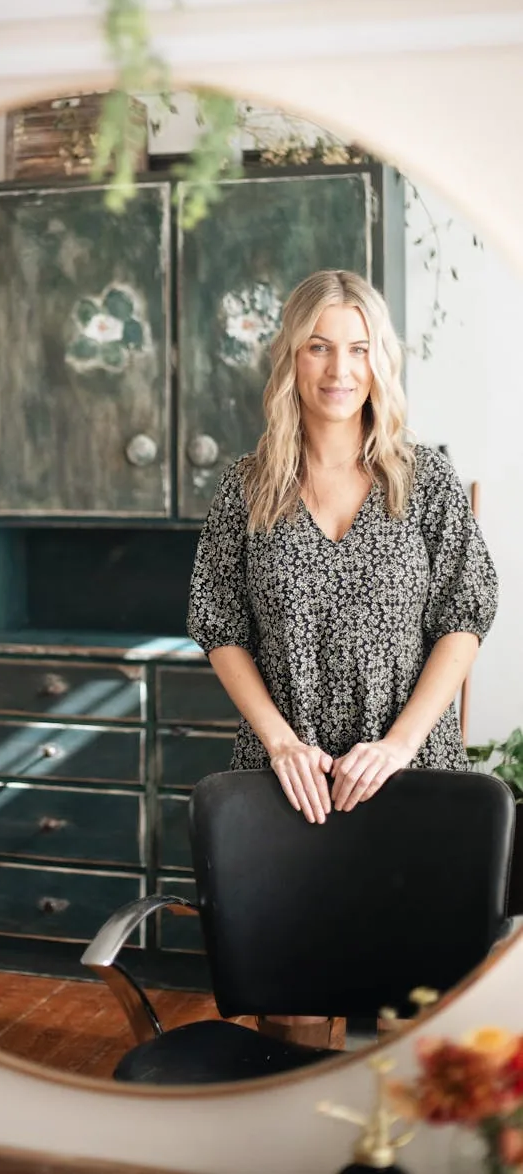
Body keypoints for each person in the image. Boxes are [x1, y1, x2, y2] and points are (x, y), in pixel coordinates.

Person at [186, 267, 498, 1046]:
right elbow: (218, 624)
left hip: (409, 772)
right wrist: (281, 740)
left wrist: (396, 747)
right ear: (290, 357)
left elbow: (465, 618)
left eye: (358, 349)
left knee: (410, 1012)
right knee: (292, 1007)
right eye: (318, 347)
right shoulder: (247, 487)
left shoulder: (424, 480)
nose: (338, 370)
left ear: (378, 360)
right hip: (287, 780)